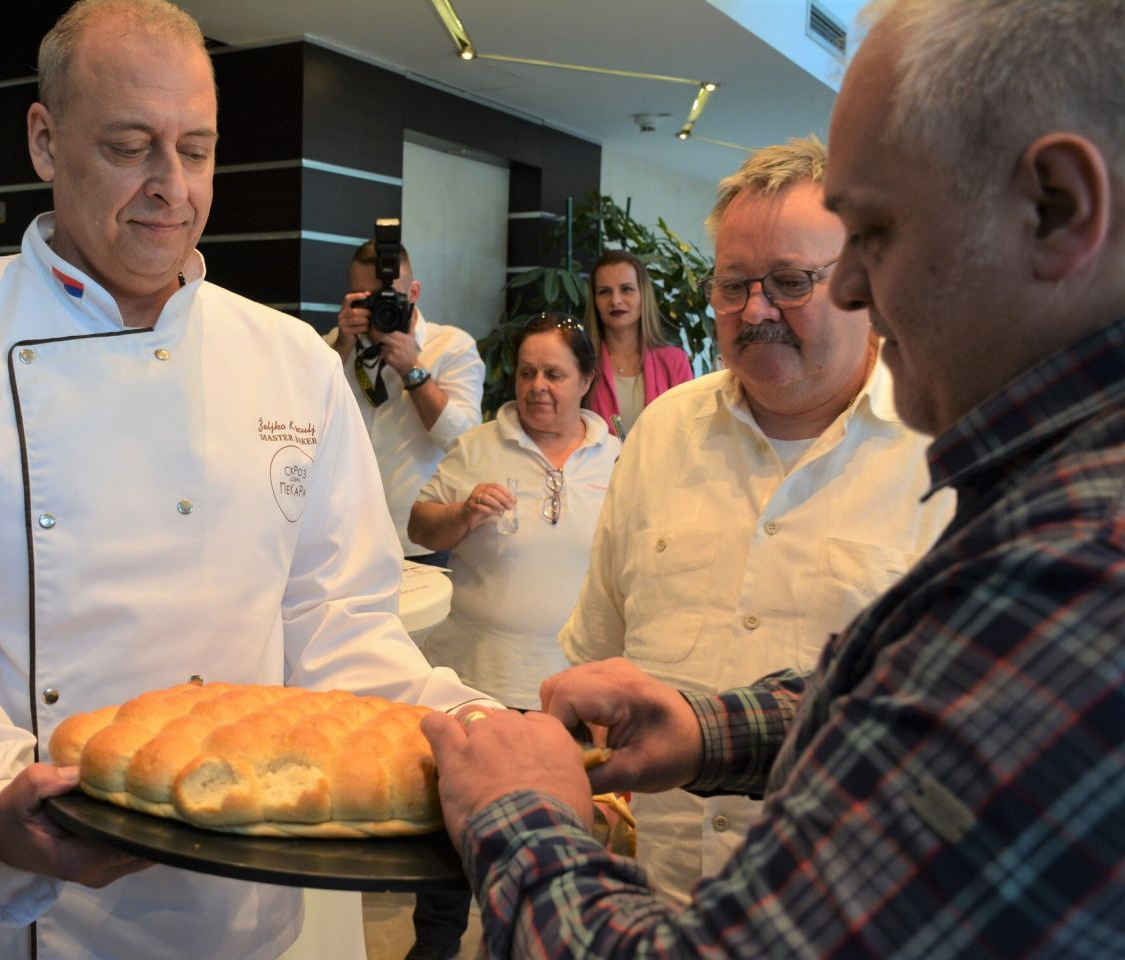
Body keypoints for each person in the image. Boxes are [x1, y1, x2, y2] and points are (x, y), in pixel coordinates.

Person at [421, 0, 1125, 955]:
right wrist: (709, 730)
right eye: (736, 284)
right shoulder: (1045, 500)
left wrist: (519, 813)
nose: (854, 289)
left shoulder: (1079, 570)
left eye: (877, 232)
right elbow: (899, 696)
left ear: (1057, 208)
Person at [0, 3, 497, 959]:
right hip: (25, 907)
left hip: (241, 916)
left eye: (197, 150)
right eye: (130, 147)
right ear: (45, 142)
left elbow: (336, 625)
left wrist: (478, 728)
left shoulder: (290, 360)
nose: (171, 188)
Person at [558, 134, 955, 905]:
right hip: (660, 902)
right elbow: (599, 656)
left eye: (790, 283)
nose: (755, 310)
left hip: (853, 915)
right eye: (733, 285)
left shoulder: (943, 452)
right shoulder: (663, 434)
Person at [410, 312, 621, 710]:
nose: (537, 386)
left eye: (553, 374)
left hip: (577, 684)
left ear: (586, 380)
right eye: (527, 373)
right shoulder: (475, 447)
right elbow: (419, 529)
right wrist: (462, 514)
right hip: (473, 677)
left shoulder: (617, 458)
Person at [325, 239, 484, 566]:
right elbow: (303, 420)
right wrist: (341, 346)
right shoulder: (334, 347)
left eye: (386, 296)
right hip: (344, 534)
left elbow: (464, 442)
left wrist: (412, 369)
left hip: (419, 540)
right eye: (363, 298)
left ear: (413, 293)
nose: (375, 308)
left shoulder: (452, 347)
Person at [583, 249, 692, 436]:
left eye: (626, 289)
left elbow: (689, 432)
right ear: (594, 301)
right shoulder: (581, 364)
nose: (615, 300)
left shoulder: (675, 361)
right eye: (604, 292)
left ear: (643, 295)